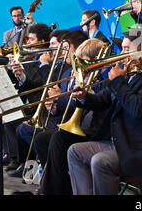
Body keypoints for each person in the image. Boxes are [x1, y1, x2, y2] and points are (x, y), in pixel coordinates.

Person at [67, 30, 142, 195]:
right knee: (75, 152)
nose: (121, 54)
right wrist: (83, 97)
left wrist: (117, 81)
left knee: (99, 161)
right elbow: (103, 101)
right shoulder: (128, 75)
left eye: (126, 49)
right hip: (121, 143)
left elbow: (137, 109)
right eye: (122, 48)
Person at [7, 30, 88, 178]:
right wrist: (21, 75)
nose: (54, 49)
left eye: (54, 44)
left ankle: (42, 173)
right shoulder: (57, 66)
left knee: (26, 130)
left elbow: (46, 85)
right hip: (48, 109)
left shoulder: (61, 65)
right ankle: (32, 170)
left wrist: (45, 66)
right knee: (19, 127)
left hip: (64, 117)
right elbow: (37, 85)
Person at [33, 38, 107, 195]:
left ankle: (52, 190)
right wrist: (54, 107)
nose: (80, 66)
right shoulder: (82, 78)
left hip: (95, 130)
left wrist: (87, 98)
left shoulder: (103, 80)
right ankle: (60, 186)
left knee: (58, 139)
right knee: (41, 139)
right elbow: (71, 107)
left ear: (96, 60)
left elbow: (101, 108)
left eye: (84, 61)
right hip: (78, 126)